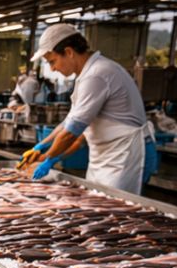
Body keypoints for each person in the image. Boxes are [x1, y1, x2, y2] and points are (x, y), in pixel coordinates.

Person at [20, 23, 155, 193]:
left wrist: (49, 159)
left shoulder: (96, 74)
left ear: (69, 52)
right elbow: (69, 123)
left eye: (53, 61)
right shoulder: (87, 74)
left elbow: (71, 132)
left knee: (115, 207)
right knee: (97, 202)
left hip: (125, 154)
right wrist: (40, 146)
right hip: (108, 155)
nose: (52, 68)